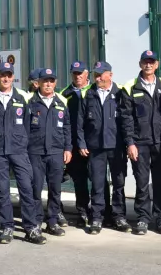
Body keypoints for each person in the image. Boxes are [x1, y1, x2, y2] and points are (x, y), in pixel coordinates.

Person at [0, 61, 45, 244]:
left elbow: (28, 124)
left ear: (12, 77)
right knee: (2, 190)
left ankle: (31, 228)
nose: (6, 78)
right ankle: (7, 227)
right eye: (3, 75)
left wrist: (21, 142)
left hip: (18, 151)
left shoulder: (22, 98)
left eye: (9, 75)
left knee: (26, 188)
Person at [119, 50, 161, 235]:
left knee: (160, 182)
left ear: (157, 64)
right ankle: (142, 218)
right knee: (141, 182)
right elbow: (126, 118)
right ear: (140, 64)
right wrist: (130, 143)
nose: (148, 65)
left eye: (152, 62)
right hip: (139, 143)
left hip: (160, 142)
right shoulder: (130, 87)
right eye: (145, 62)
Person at [76, 61, 130, 234]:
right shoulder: (88, 94)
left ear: (110, 75)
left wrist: (129, 144)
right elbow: (79, 123)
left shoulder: (121, 93)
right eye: (96, 75)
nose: (98, 78)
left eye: (101, 74)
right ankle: (97, 217)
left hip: (116, 146)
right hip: (95, 147)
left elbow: (127, 121)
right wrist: (82, 143)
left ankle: (119, 216)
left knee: (119, 183)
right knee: (98, 184)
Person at [27, 67, 72, 236]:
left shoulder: (61, 102)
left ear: (55, 83)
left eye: (51, 81)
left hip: (56, 152)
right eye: (45, 81)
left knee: (55, 189)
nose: (48, 84)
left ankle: (52, 221)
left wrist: (68, 148)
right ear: (38, 83)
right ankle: (36, 221)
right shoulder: (30, 102)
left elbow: (67, 127)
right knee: (35, 188)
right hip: (35, 151)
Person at [60, 60, 95, 226]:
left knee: (99, 179)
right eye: (74, 73)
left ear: (86, 74)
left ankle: (101, 212)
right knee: (79, 181)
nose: (78, 76)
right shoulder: (65, 95)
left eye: (80, 73)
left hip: (95, 144)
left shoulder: (95, 91)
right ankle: (82, 212)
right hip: (74, 145)